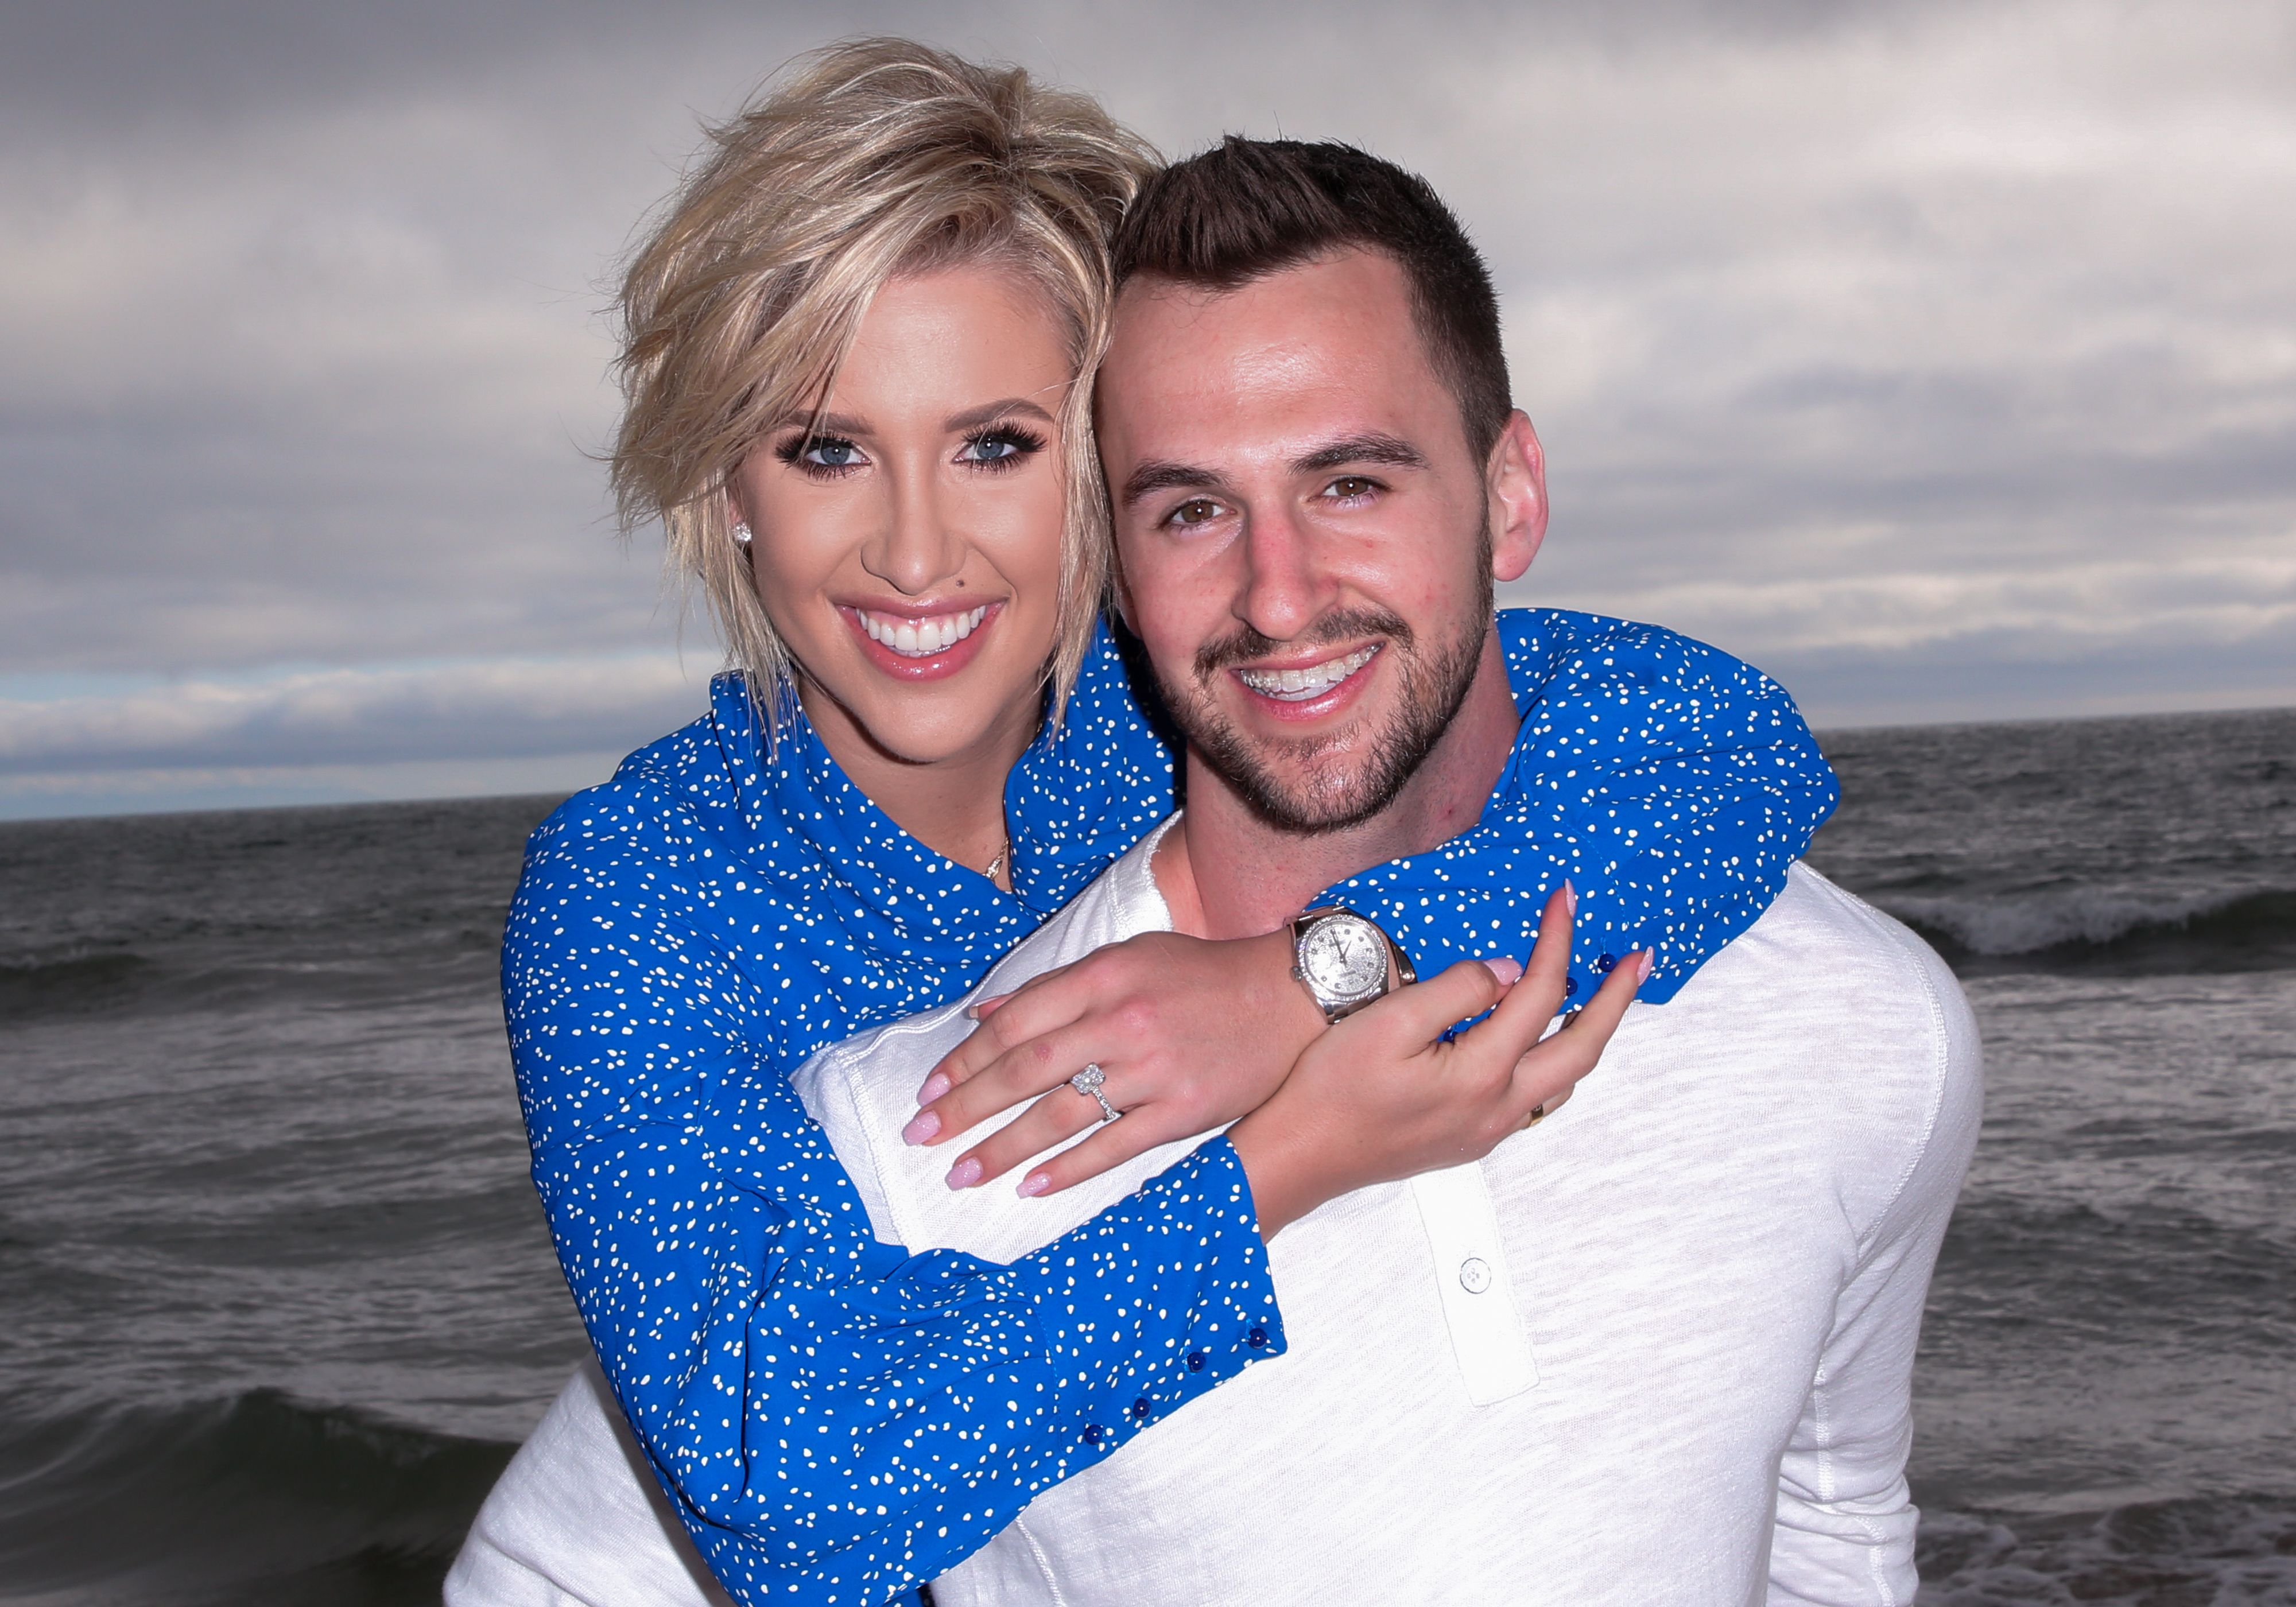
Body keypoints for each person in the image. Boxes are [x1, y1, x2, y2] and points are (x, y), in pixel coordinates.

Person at [451, 43, 1843, 1607]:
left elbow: (1719, 745)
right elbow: (798, 1494)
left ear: (1104, 472)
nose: (917, 555)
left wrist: (1304, 982)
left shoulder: (1164, 707)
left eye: (997, 446)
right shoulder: (640, 894)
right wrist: (1284, 1162)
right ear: (731, 484)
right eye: (827, 448)